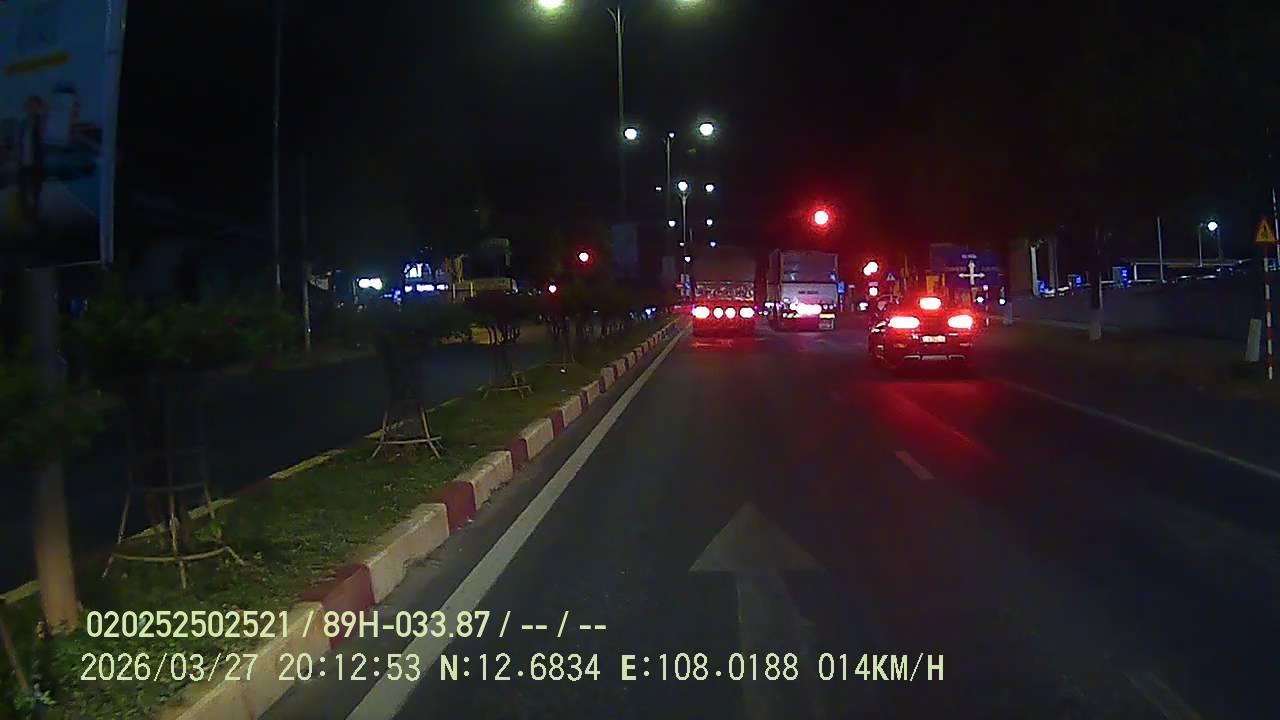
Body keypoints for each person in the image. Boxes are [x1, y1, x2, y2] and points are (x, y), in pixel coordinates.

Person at [14, 96, 46, 233]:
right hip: (23, 165)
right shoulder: (23, 123)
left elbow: (44, 136)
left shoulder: (41, 122)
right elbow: (19, 144)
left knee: (34, 196)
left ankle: (34, 224)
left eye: (33, 105)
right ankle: (26, 223)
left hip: (36, 165)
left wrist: (44, 112)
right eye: (28, 105)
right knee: (22, 195)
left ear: (37, 107)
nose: (29, 108)